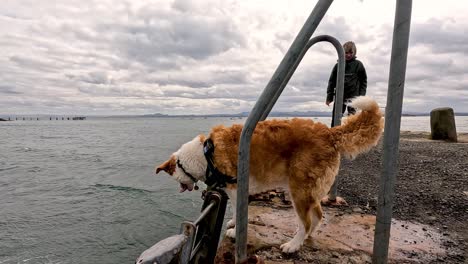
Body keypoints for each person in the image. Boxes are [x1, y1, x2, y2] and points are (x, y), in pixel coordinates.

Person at [326, 41, 367, 117]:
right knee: (336, 117)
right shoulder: (337, 66)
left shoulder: (358, 65)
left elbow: (363, 82)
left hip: (354, 98)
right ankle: (335, 128)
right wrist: (329, 97)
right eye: (346, 52)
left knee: (353, 118)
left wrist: (362, 97)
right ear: (342, 52)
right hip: (340, 97)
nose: (348, 55)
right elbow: (331, 82)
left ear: (354, 52)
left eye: (351, 53)